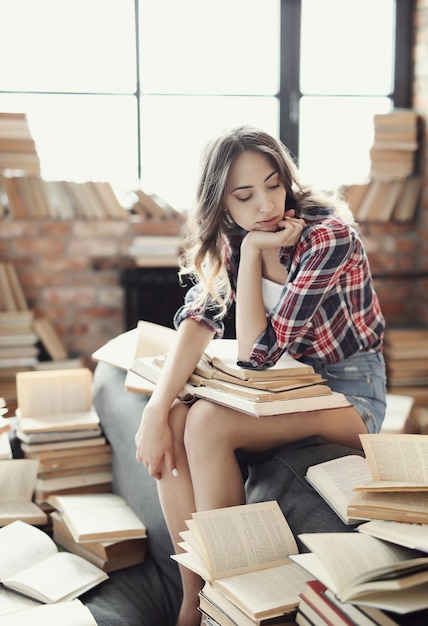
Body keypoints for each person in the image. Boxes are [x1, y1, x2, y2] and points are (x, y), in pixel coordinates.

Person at [135, 125, 386, 626]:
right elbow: (200, 316)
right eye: (245, 196)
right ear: (222, 204)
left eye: (273, 185)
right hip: (283, 388)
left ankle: (225, 595)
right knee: (180, 419)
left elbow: (257, 353)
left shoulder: (326, 236)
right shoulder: (234, 233)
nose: (266, 206)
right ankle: (195, 594)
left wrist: (253, 256)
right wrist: (155, 410)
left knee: (207, 422)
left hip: (346, 390)